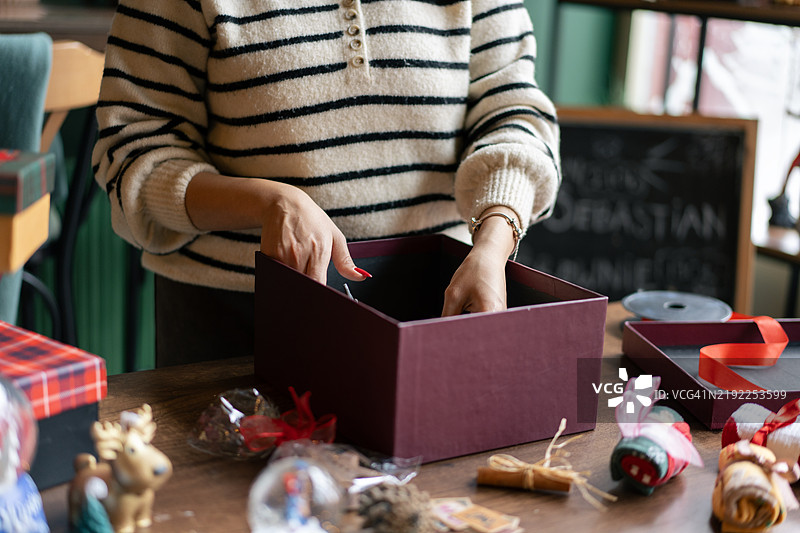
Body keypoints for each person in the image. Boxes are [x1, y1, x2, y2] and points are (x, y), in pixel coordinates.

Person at [92, 0, 561, 366]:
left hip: (435, 306)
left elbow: (513, 115)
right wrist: (268, 201)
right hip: (234, 322)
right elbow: (134, 146)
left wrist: (495, 239)